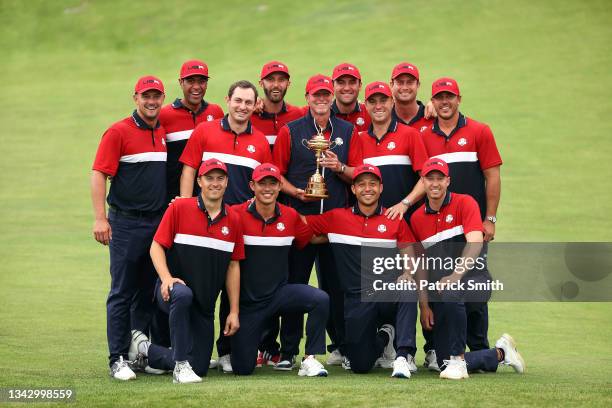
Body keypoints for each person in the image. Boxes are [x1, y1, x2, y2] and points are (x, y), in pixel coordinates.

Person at [179, 80, 271, 373]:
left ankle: (227, 350)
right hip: (203, 225)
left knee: (235, 289)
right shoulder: (205, 131)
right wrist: (184, 207)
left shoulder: (259, 142)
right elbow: (190, 170)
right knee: (201, 289)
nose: (242, 107)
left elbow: (262, 186)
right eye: (238, 101)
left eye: (248, 102)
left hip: (240, 227)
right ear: (228, 101)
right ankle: (192, 349)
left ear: (255, 105)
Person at [272, 74, 361, 369]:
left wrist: (339, 167)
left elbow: (358, 176)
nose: (321, 100)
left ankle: (343, 346)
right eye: (316, 95)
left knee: (338, 286)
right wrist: (295, 192)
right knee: (295, 283)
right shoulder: (291, 130)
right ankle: (288, 350)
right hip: (301, 219)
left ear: (331, 97)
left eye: (325, 95)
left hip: (337, 221)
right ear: (307, 97)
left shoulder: (348, 131)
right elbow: (276, 174)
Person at [129, 159, 244, 383]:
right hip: (173, 293)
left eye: (220, 178)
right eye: (209, 178)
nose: (215, 183)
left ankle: (144, 348)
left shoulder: (234, 220)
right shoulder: (180, 208)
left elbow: (233, 265)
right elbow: (156, 246)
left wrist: (234, 311)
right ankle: (180, 366)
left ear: (227, 182)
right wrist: (166, 278)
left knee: (199, 367)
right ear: (199, 181)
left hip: (204, 307)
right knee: (183, 293)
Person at [409, 157, 523, 379]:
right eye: (429, 179)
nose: (435, 183)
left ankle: (459, 361)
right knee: (443, 362)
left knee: (452, 290)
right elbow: (421, 265)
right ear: (422, 182)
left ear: (448, 181)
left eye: (439, 179)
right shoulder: (416, 219)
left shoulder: (466, 203)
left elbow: (474, 243)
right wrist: (423, 305)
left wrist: (455, 275)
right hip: (445, 293)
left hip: (476, 280)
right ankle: (500, 353)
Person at [304, 164, 419, 375]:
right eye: (362, 184)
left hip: (386, 293)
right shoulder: (336, 217)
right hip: (357, 299)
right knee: (360, 365)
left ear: (381, 188)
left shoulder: (393, 218)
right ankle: (386, 335)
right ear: (353, 189)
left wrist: (407, 273)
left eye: (373, 184)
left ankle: (403, 356)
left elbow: (408, 249)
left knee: (408, 288)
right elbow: (301, 224)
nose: (368, 189)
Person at [420, 77, 503, 366]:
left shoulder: (479, 130)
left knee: (474, 289)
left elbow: (492, 175)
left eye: (449, 96)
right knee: (438, 285)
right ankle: (437, 348)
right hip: (438, 225)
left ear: (459, 99)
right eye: (439, 97)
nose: (445, 102)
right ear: (432, 101)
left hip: (472, 225)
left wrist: (489, 218)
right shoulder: (423, 134)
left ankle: (480, 346)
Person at [91, 75, 167, 380]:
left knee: (147, 292)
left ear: (162, 99)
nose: (151, 101)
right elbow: (99, 174)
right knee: (121, 291)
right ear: (135, 97)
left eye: (156, 96)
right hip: (124, 222)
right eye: (146, 96)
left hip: (155, 223)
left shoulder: (161, 130)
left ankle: (138, 353)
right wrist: (100, 217)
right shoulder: (118, 131)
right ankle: (117, 358)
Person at [230, 163, 329, 377]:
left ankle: (310, 358)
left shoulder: (291, 215)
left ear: (279, 186)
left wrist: (345, 233)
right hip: (249, 305)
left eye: (273, 183)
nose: (267, 188)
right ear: (251, 186)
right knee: (242, 368)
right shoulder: (235, 214)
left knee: (320, 299)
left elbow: (310, 238)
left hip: (279, 295)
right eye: (262, 183)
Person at [355, 81, 428, 222]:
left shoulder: (410, 134)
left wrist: (405, 203)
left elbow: (426, 178)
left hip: (404, 222)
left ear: (392, 102)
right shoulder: (359, 139)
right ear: (365, 105)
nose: (378, 106)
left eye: (383, 100)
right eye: (372, 102)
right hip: (368, 224)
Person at [159, 59, 224, 203]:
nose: (196, 87)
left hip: (210, 199)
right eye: (190, 81)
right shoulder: (164, 115)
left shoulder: (216, 112)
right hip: (172, 198)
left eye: (201, 81)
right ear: (181, 82)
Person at [250, 61, 303, 150]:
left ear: (288, 84)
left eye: (281, 80)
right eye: (270, 79)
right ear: (261, 83)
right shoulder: (248, 117)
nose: (276, 85)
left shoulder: (298, 115)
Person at [390, 62, 434, 132]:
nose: (405, 87)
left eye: (410, 82)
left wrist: (438, 107)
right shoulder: (384, 119)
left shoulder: (433, 116)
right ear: (392, 84)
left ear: (418, 85)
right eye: (400, 82)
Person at [330, 63, 371, 132]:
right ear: (332, 85)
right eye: (341, 82)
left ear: (360, 86)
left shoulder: (371, 113)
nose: (346, 88)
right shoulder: (323, 115)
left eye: (352, 82)